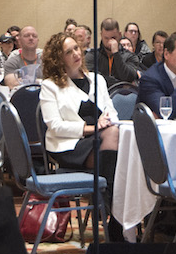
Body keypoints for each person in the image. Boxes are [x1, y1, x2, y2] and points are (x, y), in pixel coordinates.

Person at [38, 32, 123, 240]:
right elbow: (55, 127)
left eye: (76, 48)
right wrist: (92, 129)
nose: (76, 53)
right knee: (119, 157)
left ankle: (110, 211)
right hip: (68, 146)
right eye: (69, 51)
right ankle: (116, 217)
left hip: (102, 140)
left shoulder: (97, 80)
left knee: (120, 147)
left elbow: (112, 112)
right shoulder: (50, 86)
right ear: (58, 59)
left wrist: (105, 123)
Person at [85, 18, 141, 88]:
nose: (110, 41)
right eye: (106, 38)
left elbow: (128, 77)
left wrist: (116, 54)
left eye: (113, 38)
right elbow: (93, 79)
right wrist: (119, 83)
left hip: (122, 96)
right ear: (101, 35)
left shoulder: (130, 56)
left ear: (120, 35)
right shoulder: (92, 55)